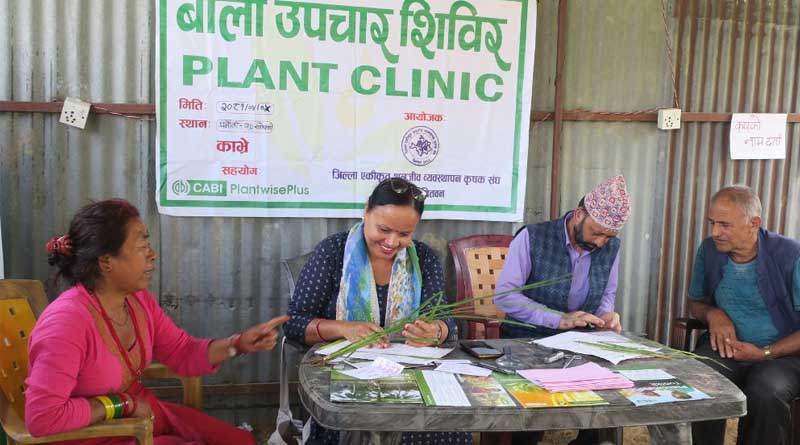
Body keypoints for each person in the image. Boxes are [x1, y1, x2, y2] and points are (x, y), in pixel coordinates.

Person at [26, 198, 290, 445]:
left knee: (241, 441)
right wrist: (121, 404)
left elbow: (182, 352)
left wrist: (239, 343)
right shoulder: (66, 323)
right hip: (98, 435)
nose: (152, 255)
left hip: (139, 418)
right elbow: (43, 417)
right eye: (141, 247)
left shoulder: (138, 302)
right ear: (106, 261)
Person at [285, 177, 470, 444]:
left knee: (448, 429)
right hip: (346, 378)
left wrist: (434, 331)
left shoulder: (424, 259)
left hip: (409, 379)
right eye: (383, 229)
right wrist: (343, 328)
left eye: (404, 234)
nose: (392, 242)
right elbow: (293, 323)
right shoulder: (333, 253)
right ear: (366, 212)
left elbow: (445, 321)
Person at [494, 174, 631, 445]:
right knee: (531, 411)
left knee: (607, 401)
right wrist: (559, 319)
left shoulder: (611, 246)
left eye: (609, 235)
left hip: (580, 342)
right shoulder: (533, 237)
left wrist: (606, 317)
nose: (602, 242)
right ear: (580, 214)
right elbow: (506, 297)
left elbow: (607, 294)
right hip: (527, 338)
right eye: (597, 232)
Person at [689, 185, 800, 445]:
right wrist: (714, 314)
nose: (715, 232)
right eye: (712, 223)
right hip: (726, 351)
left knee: (766, 392)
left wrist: (765, 353)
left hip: (782, 356)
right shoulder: (709, 251)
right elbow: (696, 302)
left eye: (724, 225)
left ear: (754, 224)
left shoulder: (791, 256)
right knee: (700, 378)